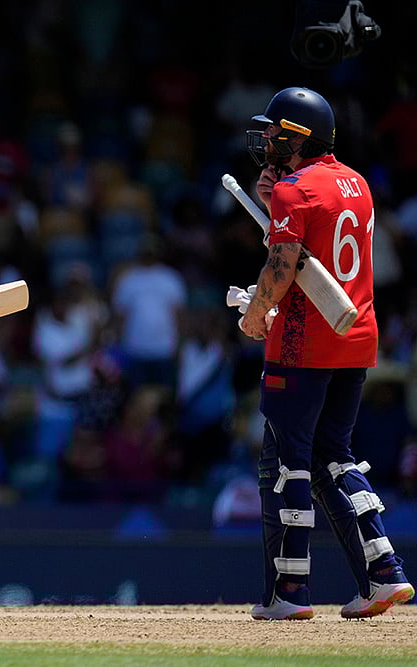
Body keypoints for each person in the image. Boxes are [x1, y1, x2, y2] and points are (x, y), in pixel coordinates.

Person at [238, 86, 414, 620]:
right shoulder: (356, 183)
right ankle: (384, 574)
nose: (266, 139)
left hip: (300, 342)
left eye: (274, 132)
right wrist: (276, 200)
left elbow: (283, 266)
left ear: (296, 136)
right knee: (335, 455)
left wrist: (253, 313)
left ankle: (288, 593)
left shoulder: (294, 191)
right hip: (356, 336)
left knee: (286, 461)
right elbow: (317, 236)